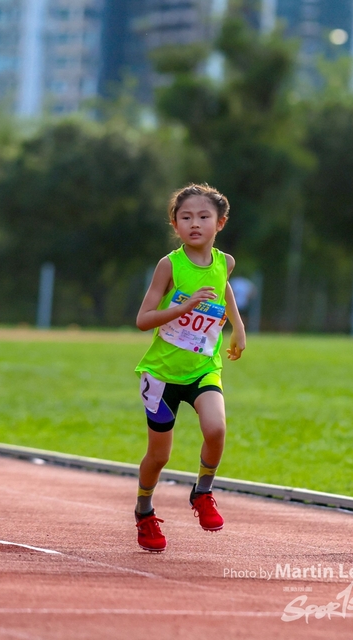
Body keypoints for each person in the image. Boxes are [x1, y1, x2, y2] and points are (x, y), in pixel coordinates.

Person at [134, 183, 246, 552]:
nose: (194, 223)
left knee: (216, 428)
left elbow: (222, 287)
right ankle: (144, 510)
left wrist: (238, 327)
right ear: (175, 224)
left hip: (203, 367)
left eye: (203, 217)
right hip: (161, 374)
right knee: (159, 456)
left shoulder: (225, 262)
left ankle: (203, 491)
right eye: (186, 217)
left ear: (220, 223)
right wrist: (183, 308)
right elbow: (143, 319)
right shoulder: (170, 265)